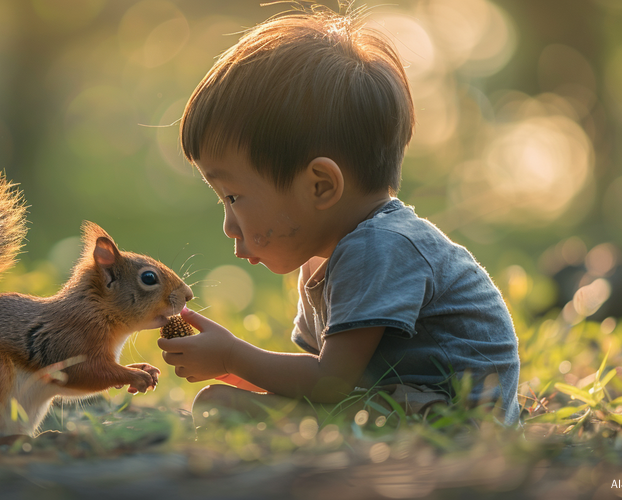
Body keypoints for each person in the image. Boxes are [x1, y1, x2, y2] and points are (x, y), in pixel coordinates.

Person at [157, 4, 521, 428]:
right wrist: (223, 363)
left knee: (221, 406)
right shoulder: (327, 257)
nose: (228, 225)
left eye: (234, 197)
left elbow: (330, 383)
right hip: (399, 404)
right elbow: (324, 379)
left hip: (450, 422)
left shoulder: (378, 247)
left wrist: (233, 354)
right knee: (221, 398)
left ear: (321, 186)